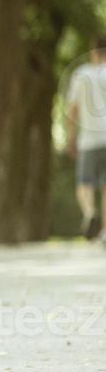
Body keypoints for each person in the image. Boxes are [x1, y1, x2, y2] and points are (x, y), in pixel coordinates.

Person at [66, 37, 106, 242]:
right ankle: (105, 232)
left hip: (88, 139)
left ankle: (90, 213)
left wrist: (71, 137)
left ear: (92, 50)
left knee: (84, 183)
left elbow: (73, 109)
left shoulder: (80, 75)